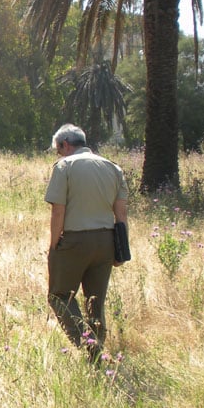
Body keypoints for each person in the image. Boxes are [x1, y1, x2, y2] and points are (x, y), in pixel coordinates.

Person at [44, 123, 129, 362]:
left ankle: (86, 345)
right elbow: (121, 214)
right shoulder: (113, 168)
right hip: (106, 241)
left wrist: (54, 246)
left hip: (74, 240)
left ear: (65, 145)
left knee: (59, 295)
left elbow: (58, 212)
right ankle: (96, 351)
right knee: (95, 302)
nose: (59, 154)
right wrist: (121, 250)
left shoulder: (64, 167)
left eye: (58, 150)